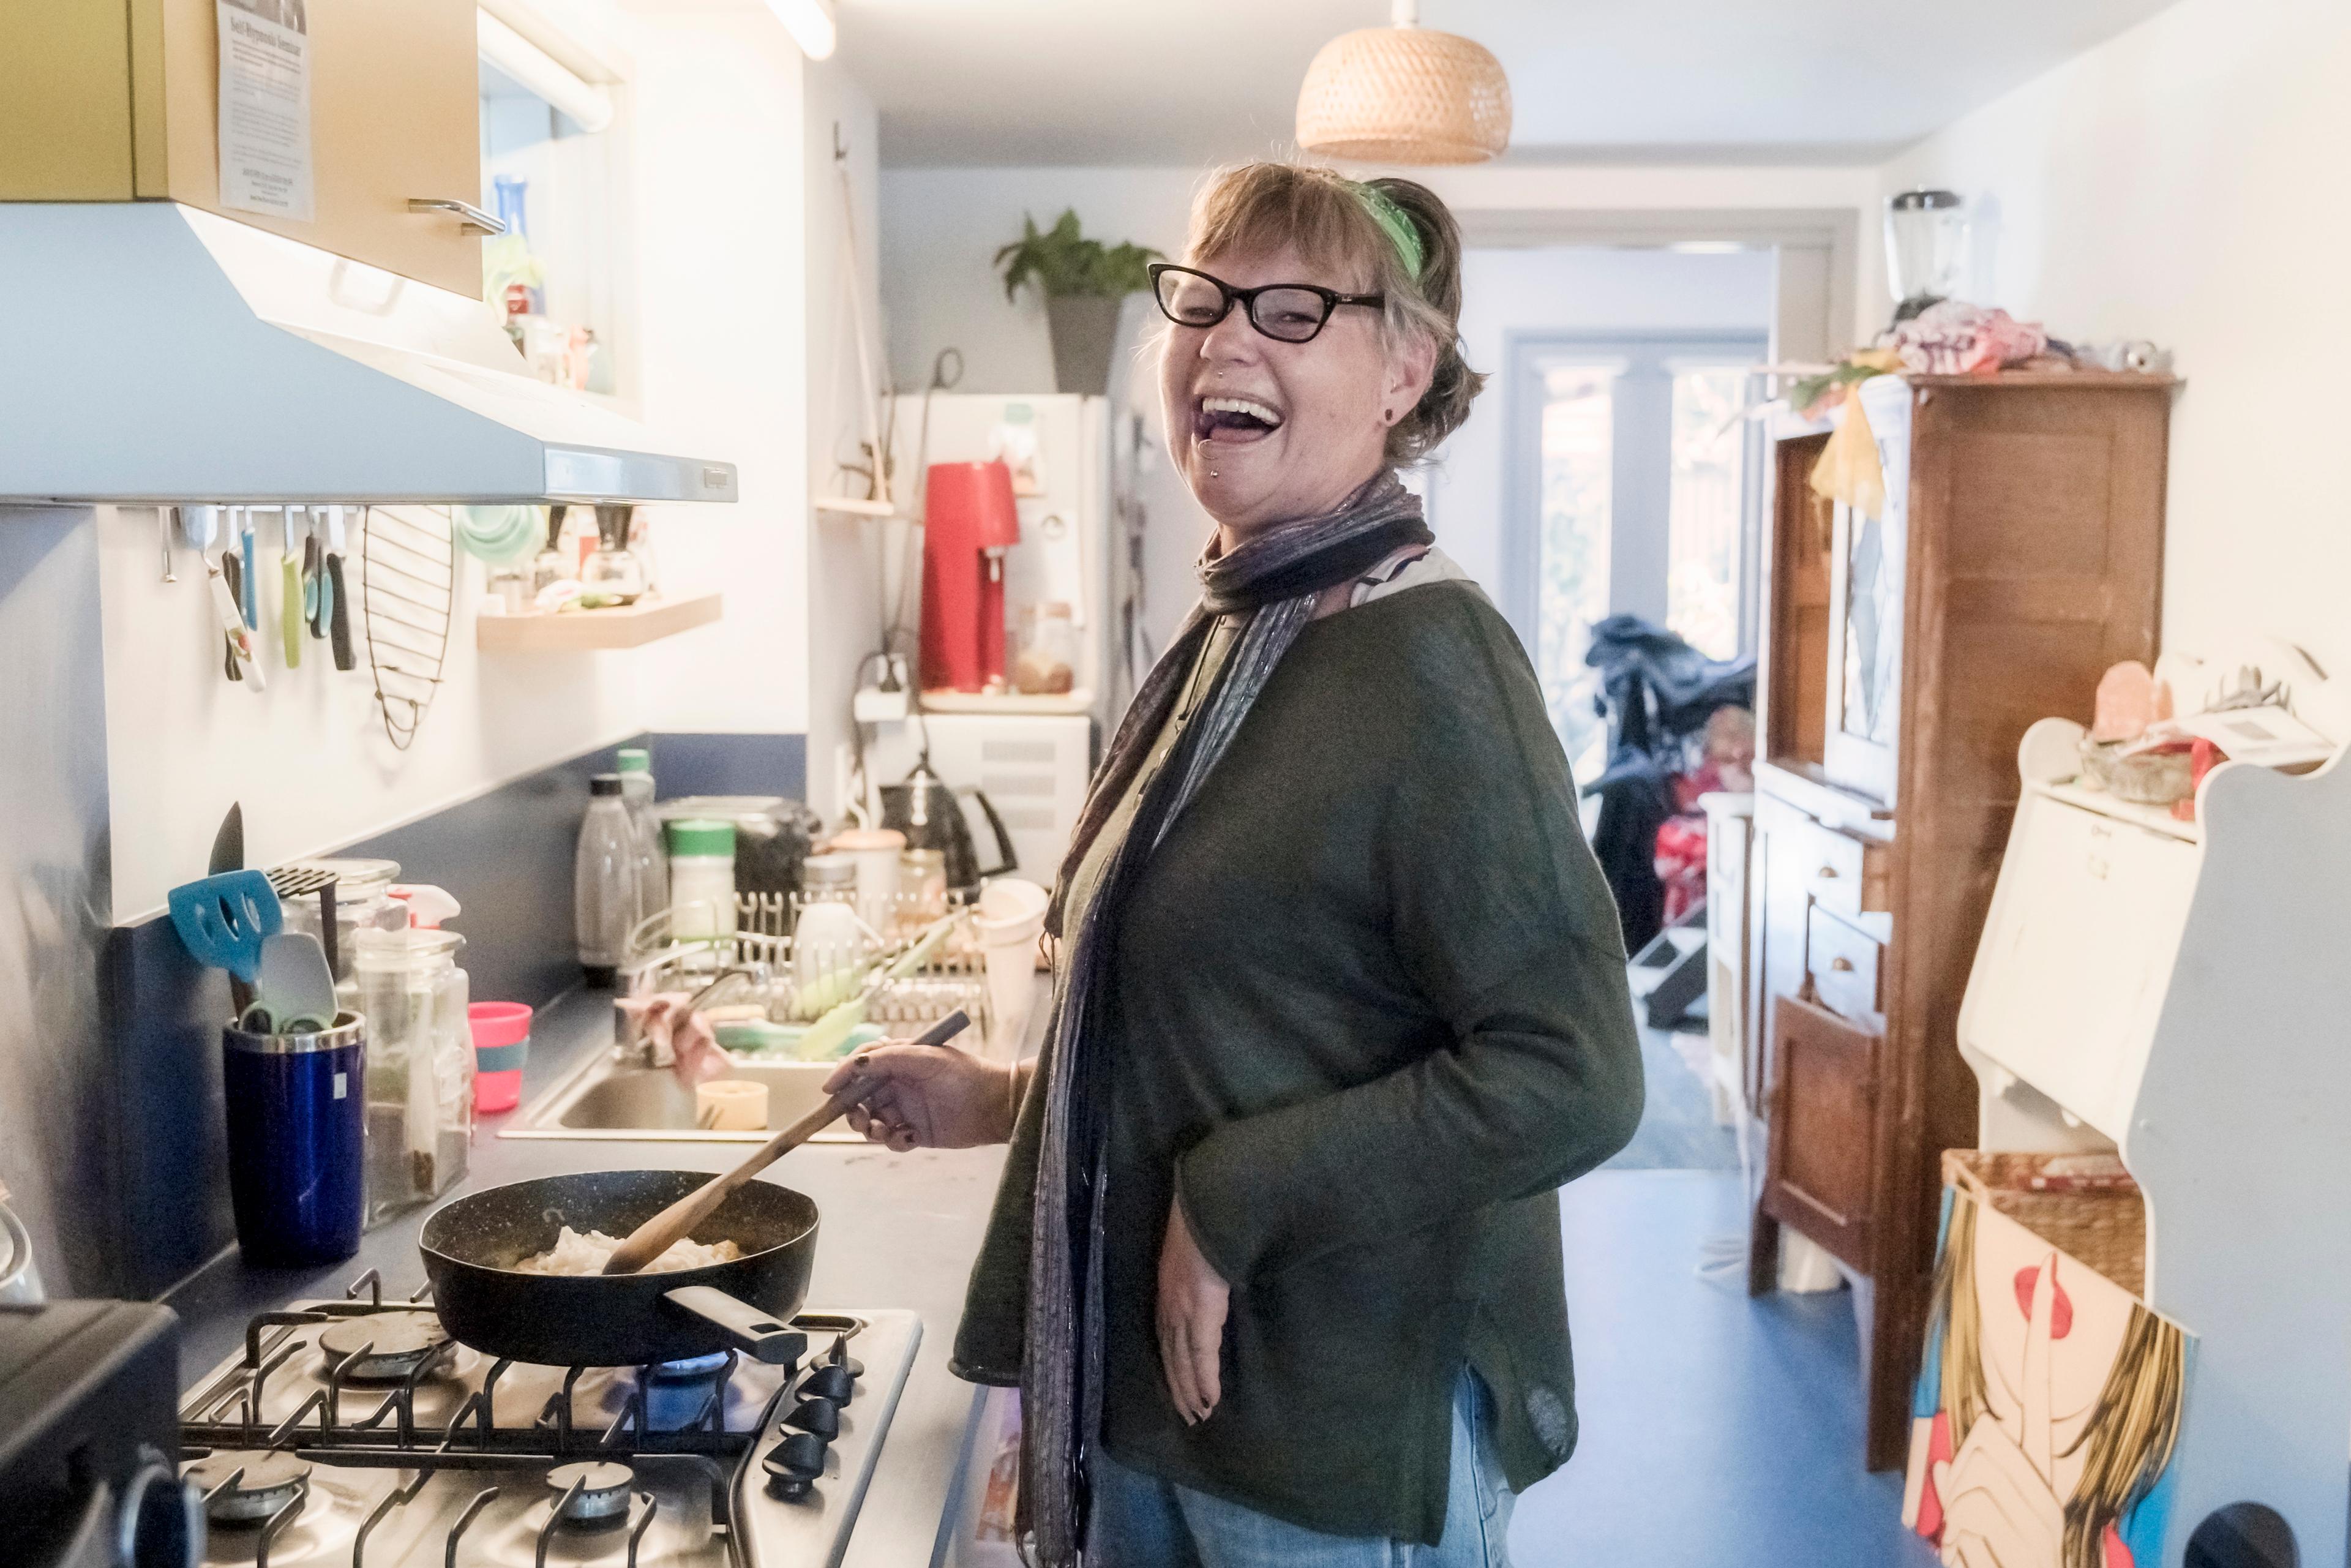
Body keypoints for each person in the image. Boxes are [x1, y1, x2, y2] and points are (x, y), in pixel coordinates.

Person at [825, 161, 1645, 1567]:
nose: (1226, 338)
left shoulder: (1435, 666)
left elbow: (1574, 1075)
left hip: (1317, 1454)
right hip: (1172, 1423)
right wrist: (1004, 1101)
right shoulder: (1247, 628)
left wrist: (1232, 1196)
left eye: (1292, 307)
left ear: (1403, 370)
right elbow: (1256, 1010)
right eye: (1204, 299)